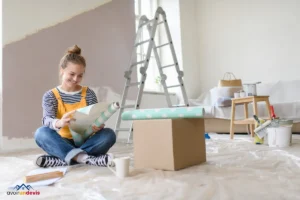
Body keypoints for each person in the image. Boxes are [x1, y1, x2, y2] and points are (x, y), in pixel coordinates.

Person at [34, 45, 116, 168]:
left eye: (80, 75)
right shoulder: (50, 95)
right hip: (62, 141)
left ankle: (64, 158)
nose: (75, 79)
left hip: (86, 141)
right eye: (71, 74)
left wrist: (97, 125)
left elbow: (94, 117)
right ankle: (85, 158)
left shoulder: (88, 93)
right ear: (62, 70)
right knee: (41, 133)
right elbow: (47, 120)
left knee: (109, 134)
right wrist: (59, 123)